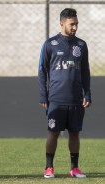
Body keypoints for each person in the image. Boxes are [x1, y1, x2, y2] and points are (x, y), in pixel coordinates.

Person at [38, 8, 91, 179]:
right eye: (71, 24)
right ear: (62, 24)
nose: (75, 27)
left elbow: (85, 71)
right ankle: (49, 167)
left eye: (76, 24)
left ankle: (74, 168)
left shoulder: (81, 45)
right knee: (53, 132)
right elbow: (42, 71)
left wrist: (87, 93)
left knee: (74, 132)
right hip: (56, 98)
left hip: (76, 98)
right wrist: (43, 95)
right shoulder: (50, 44)